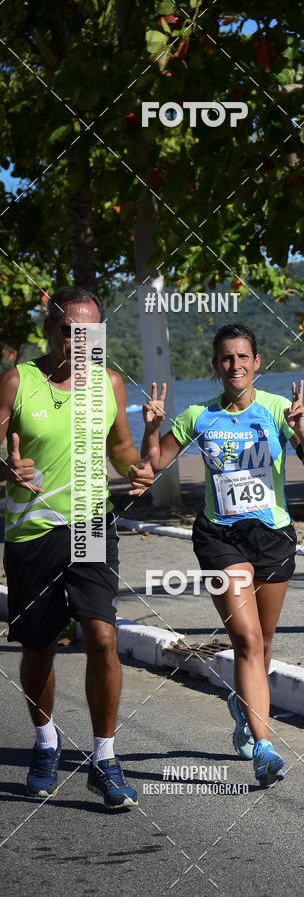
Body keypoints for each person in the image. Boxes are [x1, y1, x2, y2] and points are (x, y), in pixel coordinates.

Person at [141, 323, 304, 786]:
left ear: (256, 362)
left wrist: (301, 430)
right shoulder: (196, 416)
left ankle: (245, 706)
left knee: (261, 646)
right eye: (226, 358)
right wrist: (150, 430)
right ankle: (265, 748)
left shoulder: (279, 410)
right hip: (219, 538)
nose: (235, 365)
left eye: (243, 357)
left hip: (272, 537)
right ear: (215, 366)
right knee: (245, 641)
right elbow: (150, 467)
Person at [0, 287, 155, 809]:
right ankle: (46, 743)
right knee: (38, 647)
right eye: (71, 331)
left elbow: (121, 448)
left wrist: (138, 468)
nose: (80, 341)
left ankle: (104, 759)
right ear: (50, 331)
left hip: (91, 526)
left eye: (90, 332)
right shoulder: (17, 381)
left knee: (103, 636)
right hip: (31, 533)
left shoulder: (109, 383)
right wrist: (7, 470)